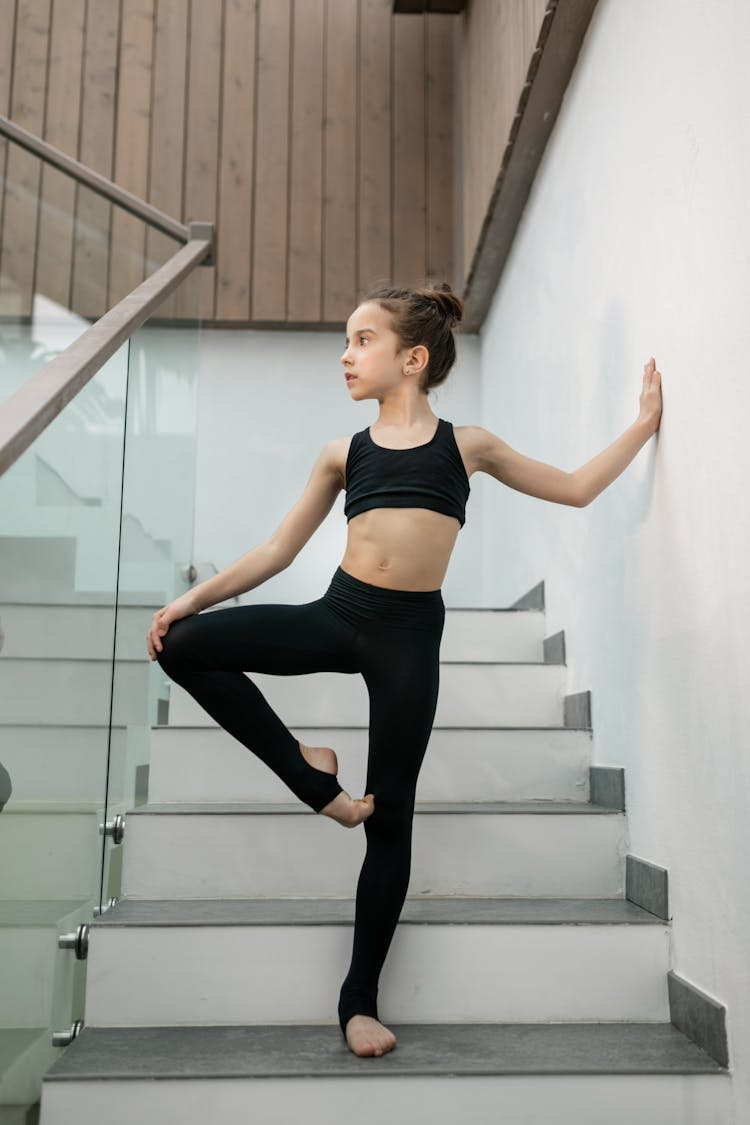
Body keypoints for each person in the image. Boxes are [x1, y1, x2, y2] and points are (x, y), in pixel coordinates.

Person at [146, 282, 663, 1058]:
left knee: (389, 818)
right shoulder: (341, 453)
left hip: (408, 644)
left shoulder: (468, 446)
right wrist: (187, 599)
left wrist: (644, 424)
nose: (346, 355)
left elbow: (578, 488)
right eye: (347, 342)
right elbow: (276, 552)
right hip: (336, 615)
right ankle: (310, 777)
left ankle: (358, 1001)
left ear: (412, 358)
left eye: (362, 340)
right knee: (183, 645)